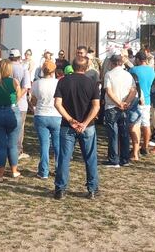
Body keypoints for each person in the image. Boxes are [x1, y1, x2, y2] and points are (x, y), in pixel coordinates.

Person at [53, 56, 101, 200]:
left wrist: (70, 120)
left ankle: (60, 189)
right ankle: (92, 189)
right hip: (88, 127)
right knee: (90, 157)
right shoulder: (92, 83)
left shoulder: (63, 82)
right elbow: (96, 106)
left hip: (67, 126)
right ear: (86, 68)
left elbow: (57, 103)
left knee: (64, 157)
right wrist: (85, 123)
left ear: (72, 67)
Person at [0, 59, 22, 182]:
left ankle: (0, 175)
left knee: (0, 145)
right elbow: (17, 98)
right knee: (12, 144)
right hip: (12, 112)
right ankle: (14, 171)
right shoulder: (14, 82)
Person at [103, 53, 138, 168]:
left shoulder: (109, 74)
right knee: (124, 133)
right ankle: (124, 158)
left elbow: (109, 91)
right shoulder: (128, 75)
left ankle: (114, 159)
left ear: (112, 63)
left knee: (113, 133)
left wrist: (118, 103)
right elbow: (133, 90)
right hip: (124, 106)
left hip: (112, 106)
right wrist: (126, 102)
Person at [31, 61, 61, 179]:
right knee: (58, 145)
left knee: (44, 144)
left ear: (42, 70)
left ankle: (44, 171)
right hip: (56, 115)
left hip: (41, 114)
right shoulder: (58, 83)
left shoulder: (36, 83)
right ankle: (59, 169)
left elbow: (33, 100)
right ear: (54, 71)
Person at [130, 51, 155, 156]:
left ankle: (136, 148)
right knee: (146, 124)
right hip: (147, 99)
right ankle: (145, 146)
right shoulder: (152, 71)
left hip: (137, 99)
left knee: (136, 125)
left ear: (137, 59)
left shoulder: (133, 70)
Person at [9, 49, 32, 159]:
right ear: (19, 57)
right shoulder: (23, 69)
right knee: (19, 127)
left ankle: (9, 148)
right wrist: (16, 99)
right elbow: (26, 87)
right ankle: (18, 151)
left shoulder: (5, 67)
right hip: (20, 103)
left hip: (6, 101)